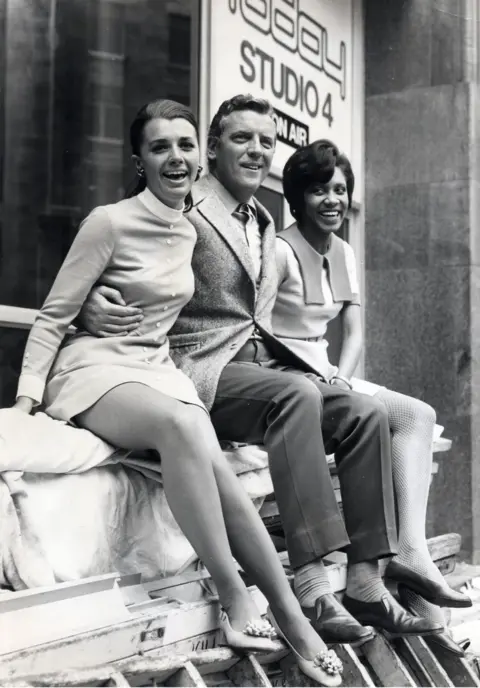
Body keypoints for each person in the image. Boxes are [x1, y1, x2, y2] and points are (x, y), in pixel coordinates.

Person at [79, 94, 442, 643]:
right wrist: (92, 302)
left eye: (266, 142)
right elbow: (121, 251)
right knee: (296, 397)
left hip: (257, 366)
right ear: (213, 149)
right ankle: (314, 585)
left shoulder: (265, 219)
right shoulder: (182, 203)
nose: (255, 150)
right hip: (196, 368)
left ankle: (366, 581)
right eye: (241, 138)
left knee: (364, 412)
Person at [11, 99, 344, 687]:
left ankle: (293, 617)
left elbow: (216, 305)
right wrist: (26, 400)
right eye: (160, 147)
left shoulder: (195, 225)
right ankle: (233, 593)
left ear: (201, 156)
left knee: (215, 466)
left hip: (158, 370)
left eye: (186, 145)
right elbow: (52, 316)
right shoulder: (108, 221)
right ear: (140, 159)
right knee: (186, 426)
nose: (176, 158)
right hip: (94, 370)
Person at [272, 138, 471, 648]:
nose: (332, 200)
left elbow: (355, 332)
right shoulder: (278, 250)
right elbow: (256, 327)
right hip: (284, 372)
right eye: (318, 190)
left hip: (325, 370)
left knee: (416, 415)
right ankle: (397, 567)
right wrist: (317, 378)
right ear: (297, 198)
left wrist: (341, 374)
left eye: (339, 189)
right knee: (377, 419)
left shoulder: (343, 252)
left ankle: (410, 551)